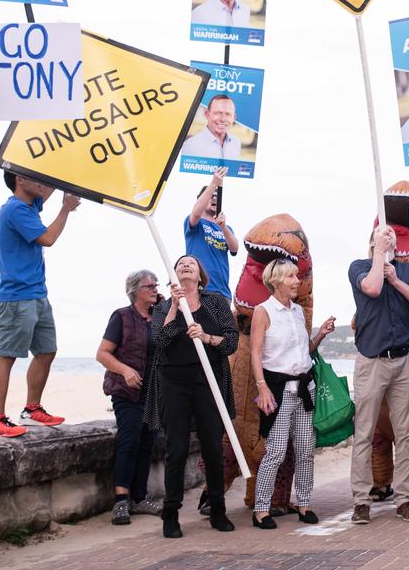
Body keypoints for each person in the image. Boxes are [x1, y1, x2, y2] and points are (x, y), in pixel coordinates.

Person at [144, 255, 238, 538]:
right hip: (174, 383)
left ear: (200, 275)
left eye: (192, 264)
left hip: (208, 382)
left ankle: (218, 510)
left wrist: (207, 337)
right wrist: (175, 306)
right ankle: (170, 515)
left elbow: (232, 342)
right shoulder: (163, 307)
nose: (185, 265)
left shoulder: (217, 302)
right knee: (177, 449)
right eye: (180, 264)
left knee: (212, 447)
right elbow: (159, 341)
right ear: (173, 275)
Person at [0, 172, 80, 437]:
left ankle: (31, 410)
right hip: (17, 297)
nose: (40, 184)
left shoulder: (29, 203)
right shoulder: (15, 209)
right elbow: (48, 238)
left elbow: (48, 185)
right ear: (19, 179)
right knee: (7, 355)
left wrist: (61, 164)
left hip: (38, 295)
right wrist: (66, 208)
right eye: (33, 178)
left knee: (47, 351)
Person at [251, 259, 335, 529]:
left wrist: (320, 334)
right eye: (291, 277)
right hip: (278, 391)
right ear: (276, 281)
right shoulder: (263, 311)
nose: (297, 281)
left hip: (304, 388)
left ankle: (304, 503)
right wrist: (262, 387)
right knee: (274, 451)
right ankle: (261, 508)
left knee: (305, 450)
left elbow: (303, 352)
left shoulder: (298, 311)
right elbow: (255, 353)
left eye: (297, 276)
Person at [347, 226, 409, 525]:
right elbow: (373, 288)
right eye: (382, 237)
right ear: (372, 244)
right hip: (371, 361)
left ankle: (404, 499)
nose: (389, 241)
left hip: (403, 359)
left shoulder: (405, 270)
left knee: (405, 433)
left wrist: (396, 279)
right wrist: (379, 254)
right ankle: (361, 501)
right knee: (364, 432)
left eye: (391, 239)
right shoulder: (359, 267)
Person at [95, 270, 164, 525]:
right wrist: (125, 370)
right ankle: (121, 501)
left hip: (153, 392)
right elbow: (102, 353)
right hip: (126, 391)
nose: (155, 289)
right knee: (129, 440)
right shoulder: (122, 317)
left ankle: (140, 497)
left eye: (156, 285)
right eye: (150, 286)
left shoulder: (160, 317)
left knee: (148, 443)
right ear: (135, 290)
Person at [183, 167, 238, 300]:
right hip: (200, 290)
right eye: (210, 196)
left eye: (217, 196)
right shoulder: (195, 223)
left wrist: (223, 227)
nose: (214, 198)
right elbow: (196, 212)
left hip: (222, 292)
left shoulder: (226, 228)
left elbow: (234, 249)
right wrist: (214, 183)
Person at [181, 96, 242, 161]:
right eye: (218, 113)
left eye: (228, 114)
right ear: (207, 114)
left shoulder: (236, 142)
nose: (223, 119)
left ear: (234, 118)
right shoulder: (191, 145)